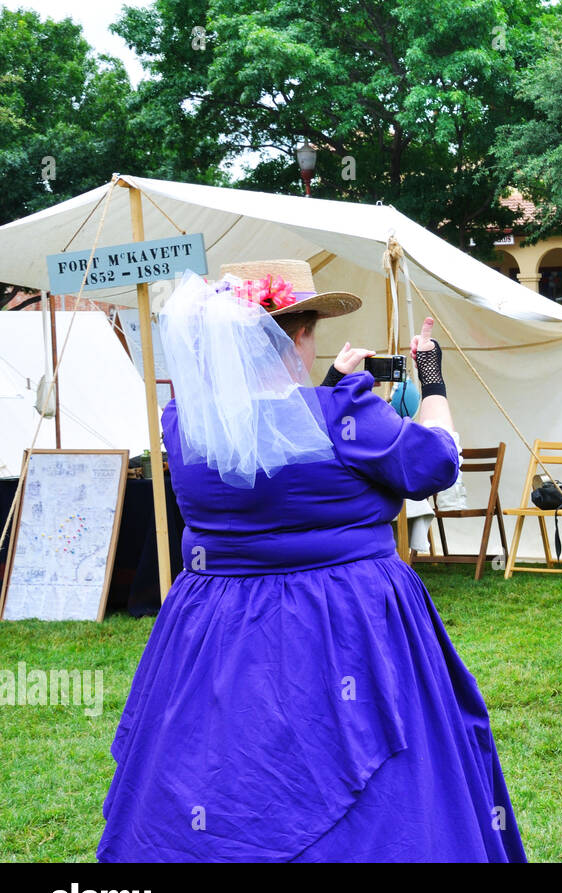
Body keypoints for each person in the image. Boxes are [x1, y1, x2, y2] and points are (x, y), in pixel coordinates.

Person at [98, 261, 526, 861]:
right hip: (344, 619)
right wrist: (431, 378)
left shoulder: (187, 427)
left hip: (216, 625)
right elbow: (437, 461)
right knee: (381, 797)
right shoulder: (346, 419)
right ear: (298, 334)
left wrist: (329, 385)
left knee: (222, 768)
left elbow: (273, 446)